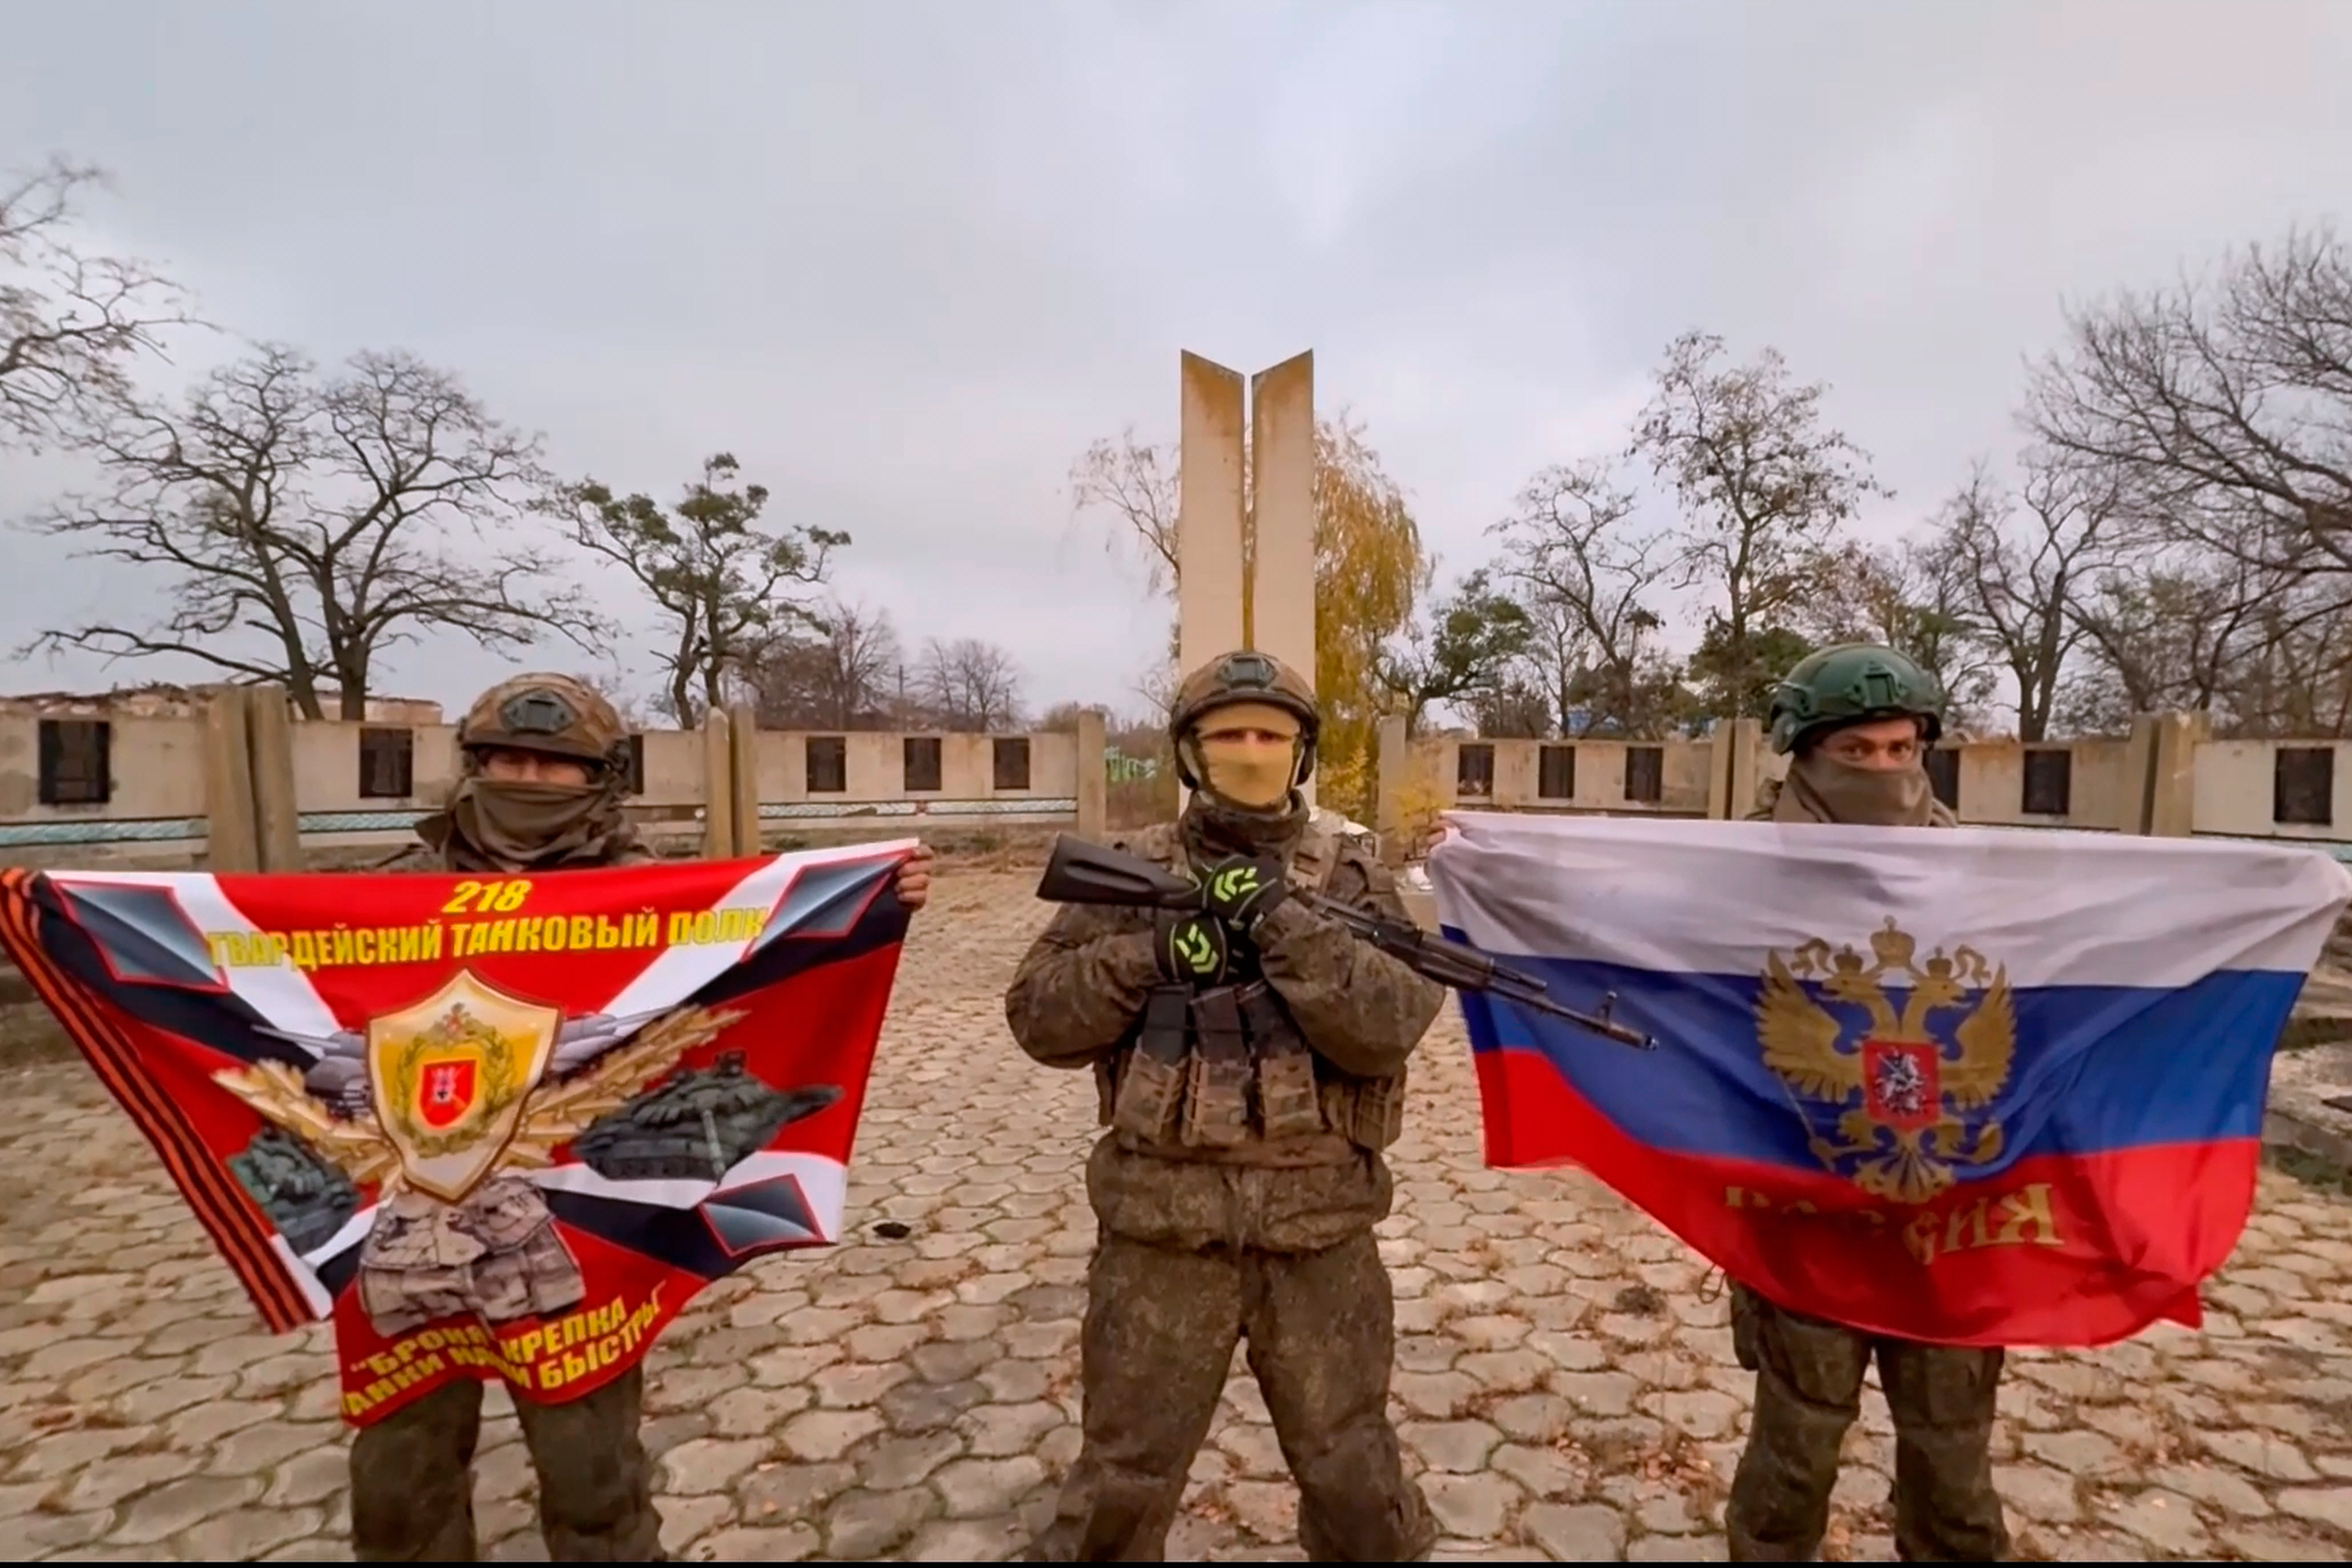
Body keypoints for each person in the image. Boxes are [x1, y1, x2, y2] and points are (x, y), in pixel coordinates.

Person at [349, 673, 931, 1562]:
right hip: (406, 1225)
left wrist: (872, 896)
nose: (528, 778)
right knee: (399, 1487)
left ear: (601, 778)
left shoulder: (651, 895)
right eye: (508, 758)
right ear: (471, 764)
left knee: (593, 1481)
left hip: (570, 1234)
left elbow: (759, 953)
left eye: (555, 765)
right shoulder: (384, 897)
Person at [1004, 650, 1446, 1562]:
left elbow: (1389, 1024)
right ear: (1189, 754)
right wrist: (1149, 955)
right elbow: (1039, 1021)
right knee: (1122, 1481)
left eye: (1270, 735)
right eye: (1228, 734)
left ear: (1301, 753)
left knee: (1354, 1475)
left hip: (1319, 1237)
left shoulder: (1351, 878)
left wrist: (1282, 923)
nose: (1250, 751)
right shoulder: (1127, 871)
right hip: (1160, 1237)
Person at [1724, 643, 2010, 1563]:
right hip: (1803, 1215)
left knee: (1956, 1477)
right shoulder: (1726, 875)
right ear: (1802, 754)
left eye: (1901, 750)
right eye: (1857, 753)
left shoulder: (1979, 877)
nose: (1885, 771)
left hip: (1946, 1219)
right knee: (1792, 1463)